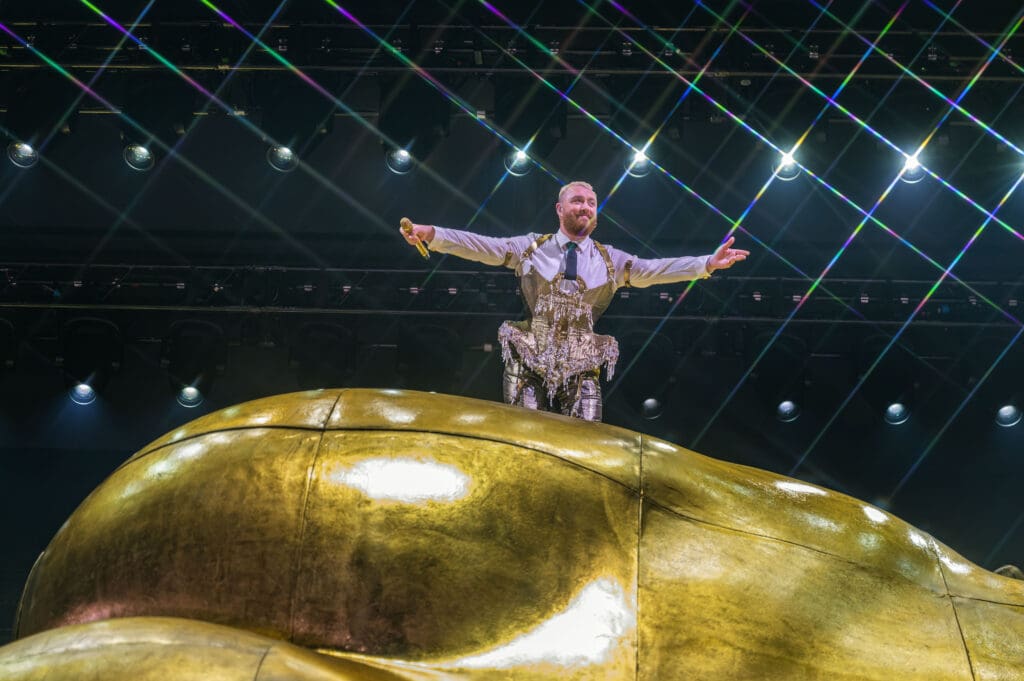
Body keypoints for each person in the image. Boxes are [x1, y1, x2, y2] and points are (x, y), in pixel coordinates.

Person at [401, 180, 749, 422]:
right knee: (525, 436)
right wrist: (433, 234)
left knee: (584, 444)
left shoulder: (610, 260)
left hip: (581, 363)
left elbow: (653, 269)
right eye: (578, 201)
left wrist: (706, 263)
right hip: (530, 357)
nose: (585, 207)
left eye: (591, 203)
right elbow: (481, 246)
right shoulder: (530, 247)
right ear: (560, 208)